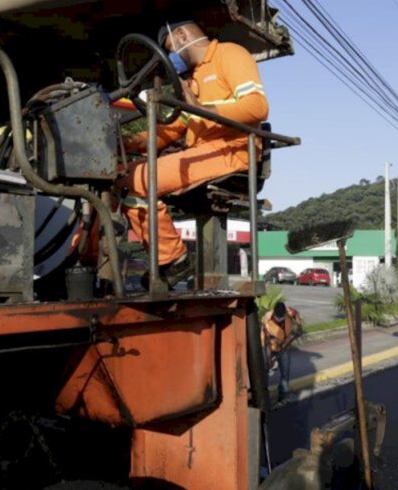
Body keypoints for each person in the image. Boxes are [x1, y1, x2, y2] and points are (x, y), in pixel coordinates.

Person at [118, 20, 269, 288]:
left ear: (181, 35)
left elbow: (257, 106)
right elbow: (171, 130)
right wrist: (125, 141)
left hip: (232, 151)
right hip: (203, 152)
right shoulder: (194, 78)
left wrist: (202, 108)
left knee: (137, 180)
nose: (171, 58)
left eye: (169, 49)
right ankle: (166, 261)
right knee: (121, 176)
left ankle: (175, 262)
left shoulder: (230, 54)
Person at [262, 301, 301, 398]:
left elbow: (295, 313)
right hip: (268, 346)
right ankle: (263, 391)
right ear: (274, 313)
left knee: (285, 368)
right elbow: (266, 342)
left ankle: (283, 389)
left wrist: (299, 327)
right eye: (277, 317)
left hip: (283, 345)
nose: (279, 319)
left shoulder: (288, 312)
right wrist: (268, 358)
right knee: (265, 368)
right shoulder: (267, 321)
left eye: (281, 317)